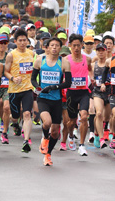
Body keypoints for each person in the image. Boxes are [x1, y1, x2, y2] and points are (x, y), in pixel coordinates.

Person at [34, 37, 72, 166]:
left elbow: (68, 82)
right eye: (52, 45)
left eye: (57, 46)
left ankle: (48, 154)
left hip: (57, 99)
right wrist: (38, 88)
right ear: (47, 47)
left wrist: (54, 87)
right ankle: (45, 137)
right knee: (47, 122)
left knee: (56, 131)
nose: (54, 48)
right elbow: (33, 79)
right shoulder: (40, 61)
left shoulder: (64, 63)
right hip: (43, 98)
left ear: (60, 48)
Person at [4, 29, 35, 153]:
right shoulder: (11, 55)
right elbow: (5, 71)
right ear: (15, 41)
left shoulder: (31, 54)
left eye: (24, 40)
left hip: (28, 89)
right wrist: (12, 78)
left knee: (27, 114)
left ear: (27, 41)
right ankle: (15, 124)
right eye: (20, 40)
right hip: (14, 90)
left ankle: (26, 141)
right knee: (15, 116)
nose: (22, 43)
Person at [63, 34, 93, 156]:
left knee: (84, 117)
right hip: (71, 93)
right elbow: (61, 74)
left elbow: (90, 69)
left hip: (84, 92)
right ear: (69, 45)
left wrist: (91, 78)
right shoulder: (66, 60)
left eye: (78, 45)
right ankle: (70, 135)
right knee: (71, 121)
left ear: (82, 45)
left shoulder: (87, 59)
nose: (76, 48)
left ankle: (81, 145)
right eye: (74, 45)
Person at [91, 43, 110, 148]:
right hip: (97, 91)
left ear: (106, 51)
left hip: (109, 92)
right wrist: (91, 79)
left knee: (106, 117)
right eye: (98, 50)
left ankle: (97, 133)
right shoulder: (94, 65)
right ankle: (101, 139)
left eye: (102, 50)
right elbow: (88, 73)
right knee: (98, 113)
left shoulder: (110, 63)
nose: (100, 52)